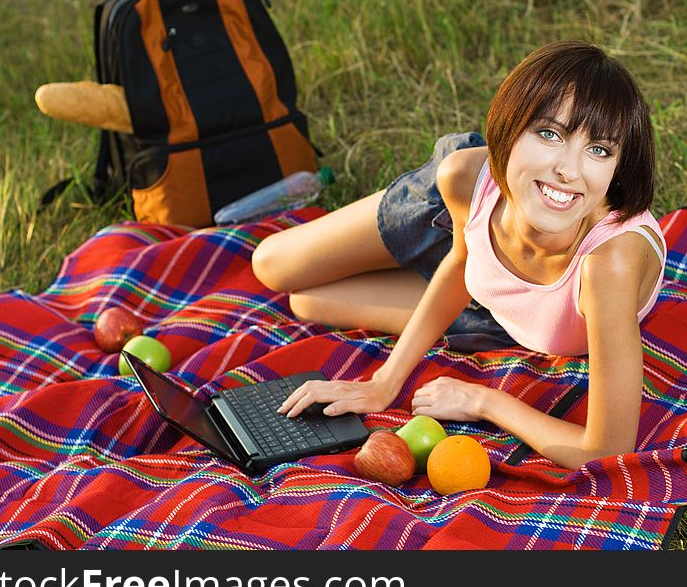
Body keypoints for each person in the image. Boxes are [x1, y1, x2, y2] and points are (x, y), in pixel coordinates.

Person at [252, 41, 665, 470]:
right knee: (271, 265)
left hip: (496, 311)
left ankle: (391, 260)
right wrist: (383, 383)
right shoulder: (465, 177)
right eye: (550, 134)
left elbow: (605, 451)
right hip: (453, 213)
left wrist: (483, 400)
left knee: (308, 299)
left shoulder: (608, 263)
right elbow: (462, 261)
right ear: (510, 126)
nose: (570, 169)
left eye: (598, 149)